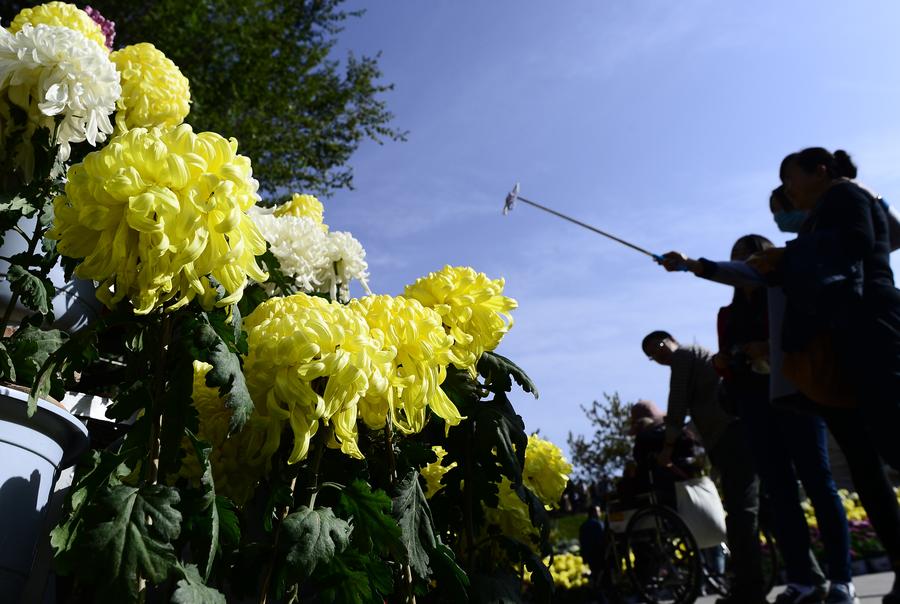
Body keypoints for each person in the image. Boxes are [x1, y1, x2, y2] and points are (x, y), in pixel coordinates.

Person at [664, 233, 852, 604]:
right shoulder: (729, 315)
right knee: (780, 494)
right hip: (753, 405)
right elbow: (725, 366)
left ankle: (841, 578)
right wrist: (726, 361)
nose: (745, 267)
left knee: (819, 484)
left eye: (751, 258)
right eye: (737, 259)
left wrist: (768, 348)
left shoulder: (785, 296)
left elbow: (807, 337)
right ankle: (802, 580)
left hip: (797, 398)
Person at [747, 147, 900, 604]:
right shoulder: (820, 214)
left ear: (819, 171)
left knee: (892, 443)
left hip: (871, 333)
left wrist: (787, 258)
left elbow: (853, 244)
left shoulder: (846, 196)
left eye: (790, 178)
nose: (787, 189)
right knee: (867, 469)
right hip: (842, 347)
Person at [641, 331, 764, 604]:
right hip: (724, 435)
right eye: (652, 356)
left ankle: (749, 588)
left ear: (671, 340)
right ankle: (792, 578)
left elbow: (677, 402)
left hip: (729, 433)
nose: (659, 356)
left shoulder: (685, 355)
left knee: (741, 511)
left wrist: (668, 448)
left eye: (659, 347)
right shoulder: (693, 359)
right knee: (753, 507)